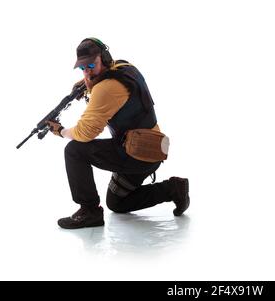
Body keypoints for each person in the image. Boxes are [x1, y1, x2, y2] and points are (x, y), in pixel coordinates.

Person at [46, 38, 190, 229]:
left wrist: (61, 131)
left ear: (104, 59)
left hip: (137, 154)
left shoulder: (106, 88)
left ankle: (90, 212)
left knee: (74, 150)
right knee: (117, 203)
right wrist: (87, 83)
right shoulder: (123, 66)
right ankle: (173, 189)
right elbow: (110, 87)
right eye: (83, 68)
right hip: (150, 149)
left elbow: (85, 133)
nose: (88, 71)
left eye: (91, 65)